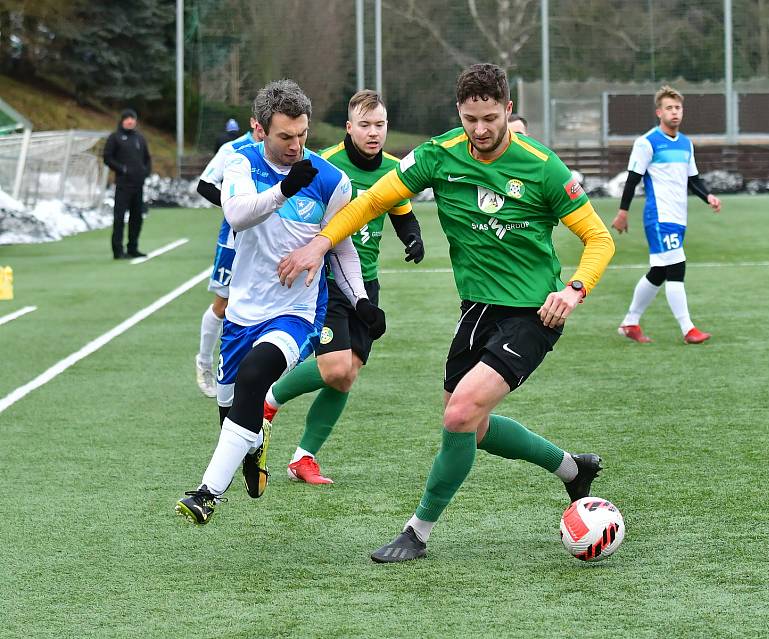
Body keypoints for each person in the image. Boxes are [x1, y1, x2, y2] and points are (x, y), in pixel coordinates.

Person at [277, 63, 615, 562]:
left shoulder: (542, 166)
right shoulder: (438, 156)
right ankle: (571, 469)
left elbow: (598, 238)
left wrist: (574, 290)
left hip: (534, 315)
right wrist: (320, 244)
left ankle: (417, 532)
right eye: (470, 118)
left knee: (458, 415)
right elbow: (372, 202)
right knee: (472, 427)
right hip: (476, 311)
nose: (480, 129)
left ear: (508, 110)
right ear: (459, 112)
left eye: (491, 118)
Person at [175, 80, 386, 525]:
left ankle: (207, 494)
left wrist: (362, 300)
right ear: (259, 129)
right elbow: (236, 214)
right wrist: (285, 190)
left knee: (256, 377)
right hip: (242, 311)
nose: (296, 146)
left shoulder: (330, 180)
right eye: (284, 137)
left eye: (303, 135)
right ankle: (253, 449)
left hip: (297, 310)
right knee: (233, 407)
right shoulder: (240, 163)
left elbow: (340, 246)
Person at [262, 89, 425, 484]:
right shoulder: (325, 165)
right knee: (335, 367)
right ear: (349, 127)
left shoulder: (392, 168)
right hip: (328, 280)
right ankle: (269, 399)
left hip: (366, 282)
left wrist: (413, 237)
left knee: (347, 374)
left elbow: (402, 212)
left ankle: (303, 458)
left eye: (380, 125)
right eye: (365, 125)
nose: (374, 133)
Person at [611, 85, 722, 344]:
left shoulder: (685, 144)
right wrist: (623, 212)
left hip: (678, 217)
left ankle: (630, 322)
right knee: (676, 268)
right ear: (659, 112)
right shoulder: (647, 142)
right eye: (669, 108)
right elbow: (632, 180)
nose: (674, 112)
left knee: (659, 272)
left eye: (678, 108)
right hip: (659, 217)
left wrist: (709, 197)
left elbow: (693, 179)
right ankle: (688, 329)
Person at [194, 116, 264, 398]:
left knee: (261, 300)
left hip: (269, 238)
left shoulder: (280, 148)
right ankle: (204, 362)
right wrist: (236, 205)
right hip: (234, 238)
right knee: (223, 304)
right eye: (260, 124)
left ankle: (255, 369)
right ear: (253, 123)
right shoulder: (233, 149)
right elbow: (204, 185)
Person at [103, 108, 151, 259]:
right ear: (122, 121)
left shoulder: (140, 138)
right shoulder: (115, 137)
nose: (130, 121)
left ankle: (133, 247)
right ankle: (118, 250)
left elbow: (147, 158)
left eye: (132, 118)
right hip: (123, 185)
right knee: (119, 218)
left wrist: (145, 171)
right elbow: (107, 157)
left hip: (138, 185)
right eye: (127, 118)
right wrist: (122, 169)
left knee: (137, 218)